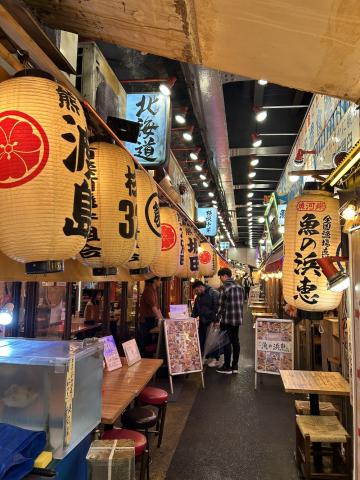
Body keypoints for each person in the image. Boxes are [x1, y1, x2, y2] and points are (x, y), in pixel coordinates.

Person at [216, 267, 244, 374]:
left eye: (220, 277)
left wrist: (217, 318)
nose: (220, 279)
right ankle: (235, 366)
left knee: (226, 342)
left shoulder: (224, 287)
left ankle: (227, 366)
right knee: (235, 341)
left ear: (224, 276)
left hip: (227, 319)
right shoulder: (239, 286)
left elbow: (221, 306)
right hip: (237, 319)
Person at [191, 280, 220, 367]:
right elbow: (195, 309)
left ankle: (215, 359)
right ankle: (205, 357)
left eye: (196, 290)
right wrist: (191, 318)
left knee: (212, 341)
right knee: (202, 340)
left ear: (201, 287)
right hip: (202, 321)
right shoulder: (198, 296)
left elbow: (217, 307)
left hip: (212, 321)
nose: (196, 293)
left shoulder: (213, 292)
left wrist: (216, 320)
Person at [139, 277, 163, 354]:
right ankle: (146, 361)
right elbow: (154, 308)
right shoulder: (148, 290)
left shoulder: (154, 290)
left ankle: (151, 359)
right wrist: (161, 320)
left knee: (150, 342)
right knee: (146, 343)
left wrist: (163, 320)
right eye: (159, 280)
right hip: (146, 320)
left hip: (151, 319)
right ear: (154, 280)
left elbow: (157, 308)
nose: (160, 282)